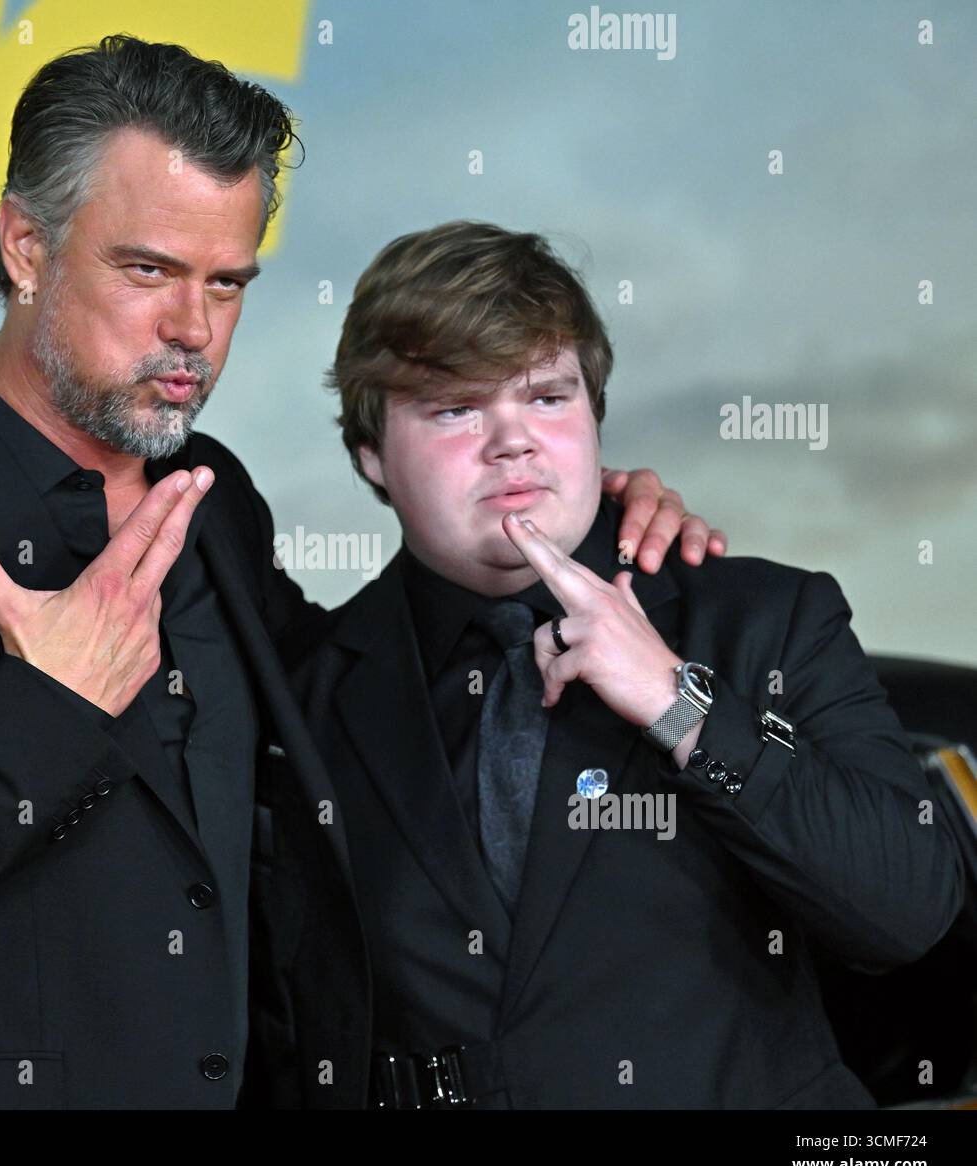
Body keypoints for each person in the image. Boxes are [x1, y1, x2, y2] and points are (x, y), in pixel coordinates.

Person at [0, 38, 719, 1110]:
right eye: (147, 270)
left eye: (226, 282)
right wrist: (43, 712)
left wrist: (553, 520)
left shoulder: (209, 490)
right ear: (26, 245)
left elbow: (351, 691)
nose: (193, 328)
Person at [255, 220, 966, 1109]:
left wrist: (682, 703)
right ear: (371, 455)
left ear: (595, 417)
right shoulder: (305, 697)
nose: (511, 442)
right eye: (454, 408)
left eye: (547, 398)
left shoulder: (763, 618)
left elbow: (907, 911)